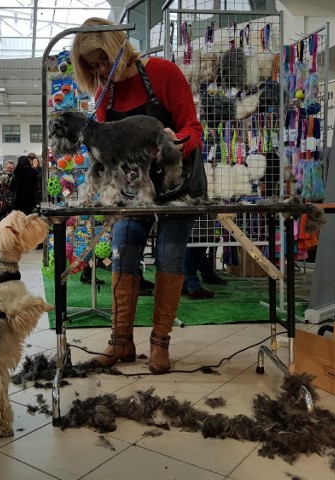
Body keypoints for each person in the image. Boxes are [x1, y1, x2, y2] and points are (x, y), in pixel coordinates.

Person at [72, 18, 204, 373]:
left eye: (101, 61)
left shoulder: (163, 73)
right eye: (92, 66)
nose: (99, 70)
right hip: (133, 189)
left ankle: (160, 342)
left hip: (176, 184)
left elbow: (194, 128)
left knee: (169, 256)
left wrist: (172, 145)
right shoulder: (104, 93)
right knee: (123, 251)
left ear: (117, 48)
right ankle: (121, 342)